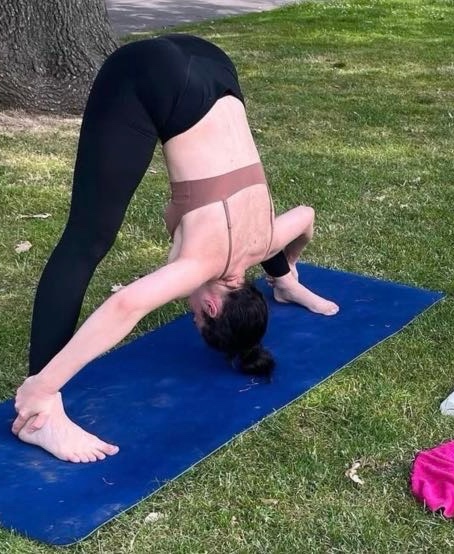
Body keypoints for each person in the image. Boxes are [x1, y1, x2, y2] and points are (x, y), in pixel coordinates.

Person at [11, 34, 339, 463]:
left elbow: (307, 217)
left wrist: (286, 271)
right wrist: (45, 383)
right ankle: (42, 412)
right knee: (86, 241)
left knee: (95, 236)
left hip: (211, 64)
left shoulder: (263, 241)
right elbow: (125, 306)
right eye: (194, 313)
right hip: (148, 75)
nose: (188, 303)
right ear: (213, 309)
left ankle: (283, 284)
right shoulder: (204, 262)